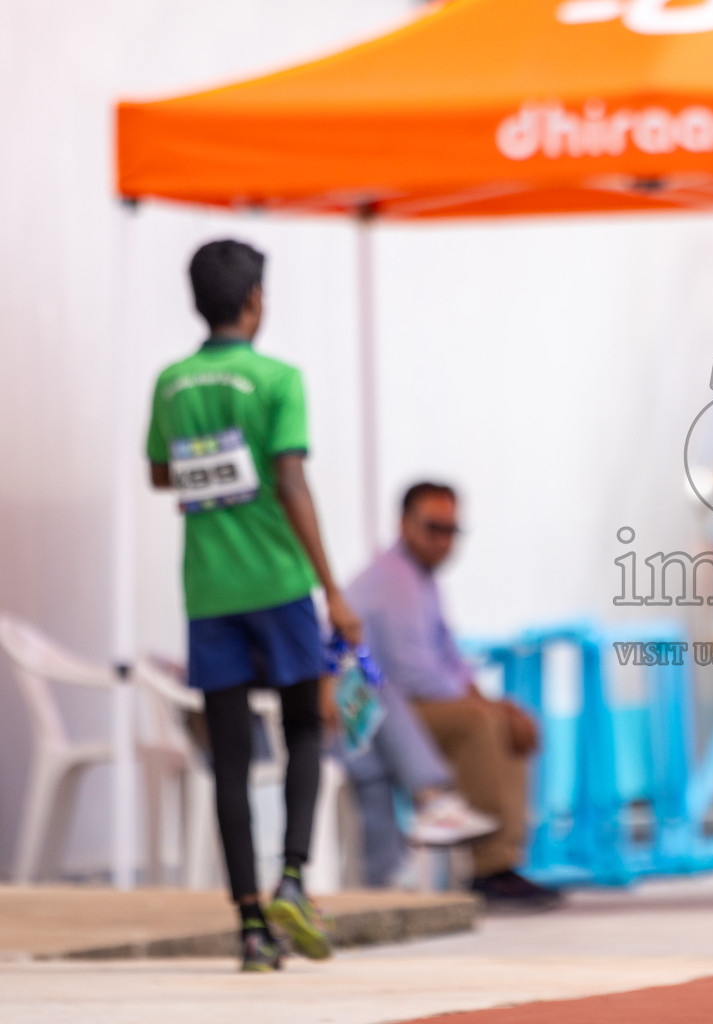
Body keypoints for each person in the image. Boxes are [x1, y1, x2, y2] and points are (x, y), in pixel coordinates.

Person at [146, 239, 358, 972]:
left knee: (229, 759)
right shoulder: (278, 379)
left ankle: (249, 930)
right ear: (255, 301)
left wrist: (211, 467)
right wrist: (331, 588)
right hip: (276, 580)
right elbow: (292, 481)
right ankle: (294, 879)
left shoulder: (171, 384)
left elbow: (160, 471)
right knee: (305, 727)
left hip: (208, 591)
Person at [348, 482, 560, 909]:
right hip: (375, 714)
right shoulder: (394, 581)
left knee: (506, 721)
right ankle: (486, 861)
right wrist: (485, 707)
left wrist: (495, 704)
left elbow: (451, 663)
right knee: (481, 724)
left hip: (401, 709)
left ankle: (500, 858)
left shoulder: (421, 578)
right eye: (433, 528)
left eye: (451, 530)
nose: (443, 541)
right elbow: (412, 676)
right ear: (404, 525)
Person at [337, 675, 499, 888]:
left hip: (342, 730)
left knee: (372, 764)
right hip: (310, 727)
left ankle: (384, 878)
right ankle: (432, 798)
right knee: (378, 692)